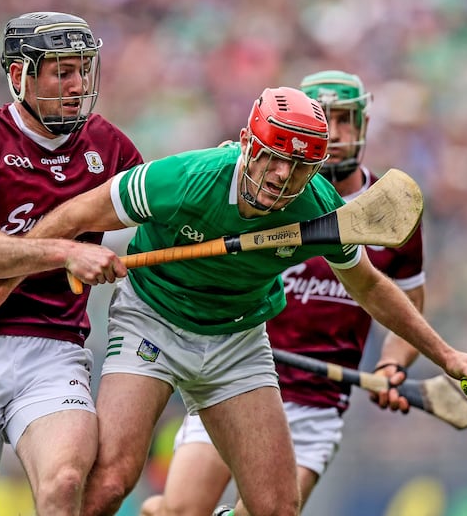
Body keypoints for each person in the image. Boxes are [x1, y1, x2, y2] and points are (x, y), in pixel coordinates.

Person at [0, 85, 467, 516]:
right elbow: (71, 219)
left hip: (237, 340)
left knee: (277, 507)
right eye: (272, 158)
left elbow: (372, 287)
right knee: (108, 485)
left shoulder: (320, 208)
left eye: (299, 166)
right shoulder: (183, 179)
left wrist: (447, 356)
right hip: (151, 324)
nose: (281, 177)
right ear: (247, 144)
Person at [139, 70, 427, 516]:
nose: (338, 132)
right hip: (238, 375)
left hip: (317, 403)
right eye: (327, 120)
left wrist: (393, 363)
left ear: (364, 126)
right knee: (179, 510)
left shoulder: (387, 213)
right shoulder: (258, 195)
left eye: (346, 119)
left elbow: (407, 303)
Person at [0, 11, 142, 516]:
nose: (77, 84)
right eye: (61, 71)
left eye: (82, 70)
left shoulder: (109, 144)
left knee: (64, 485)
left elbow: (162, 208)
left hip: (55, 350)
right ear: (19, 75)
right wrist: (67, 249)